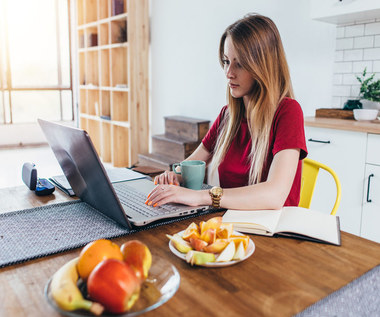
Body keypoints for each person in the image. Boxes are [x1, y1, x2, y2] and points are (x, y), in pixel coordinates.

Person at [145, 13, 307, 210]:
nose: (229, 73)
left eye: (240, 64)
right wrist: (173, 174)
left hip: (274, 232)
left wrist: (202, 196)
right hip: (232, 222)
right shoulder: (227, 116)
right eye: (226, 61)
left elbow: (274, 196)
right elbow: (191, 164)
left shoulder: (288, 112)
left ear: (263, 66)